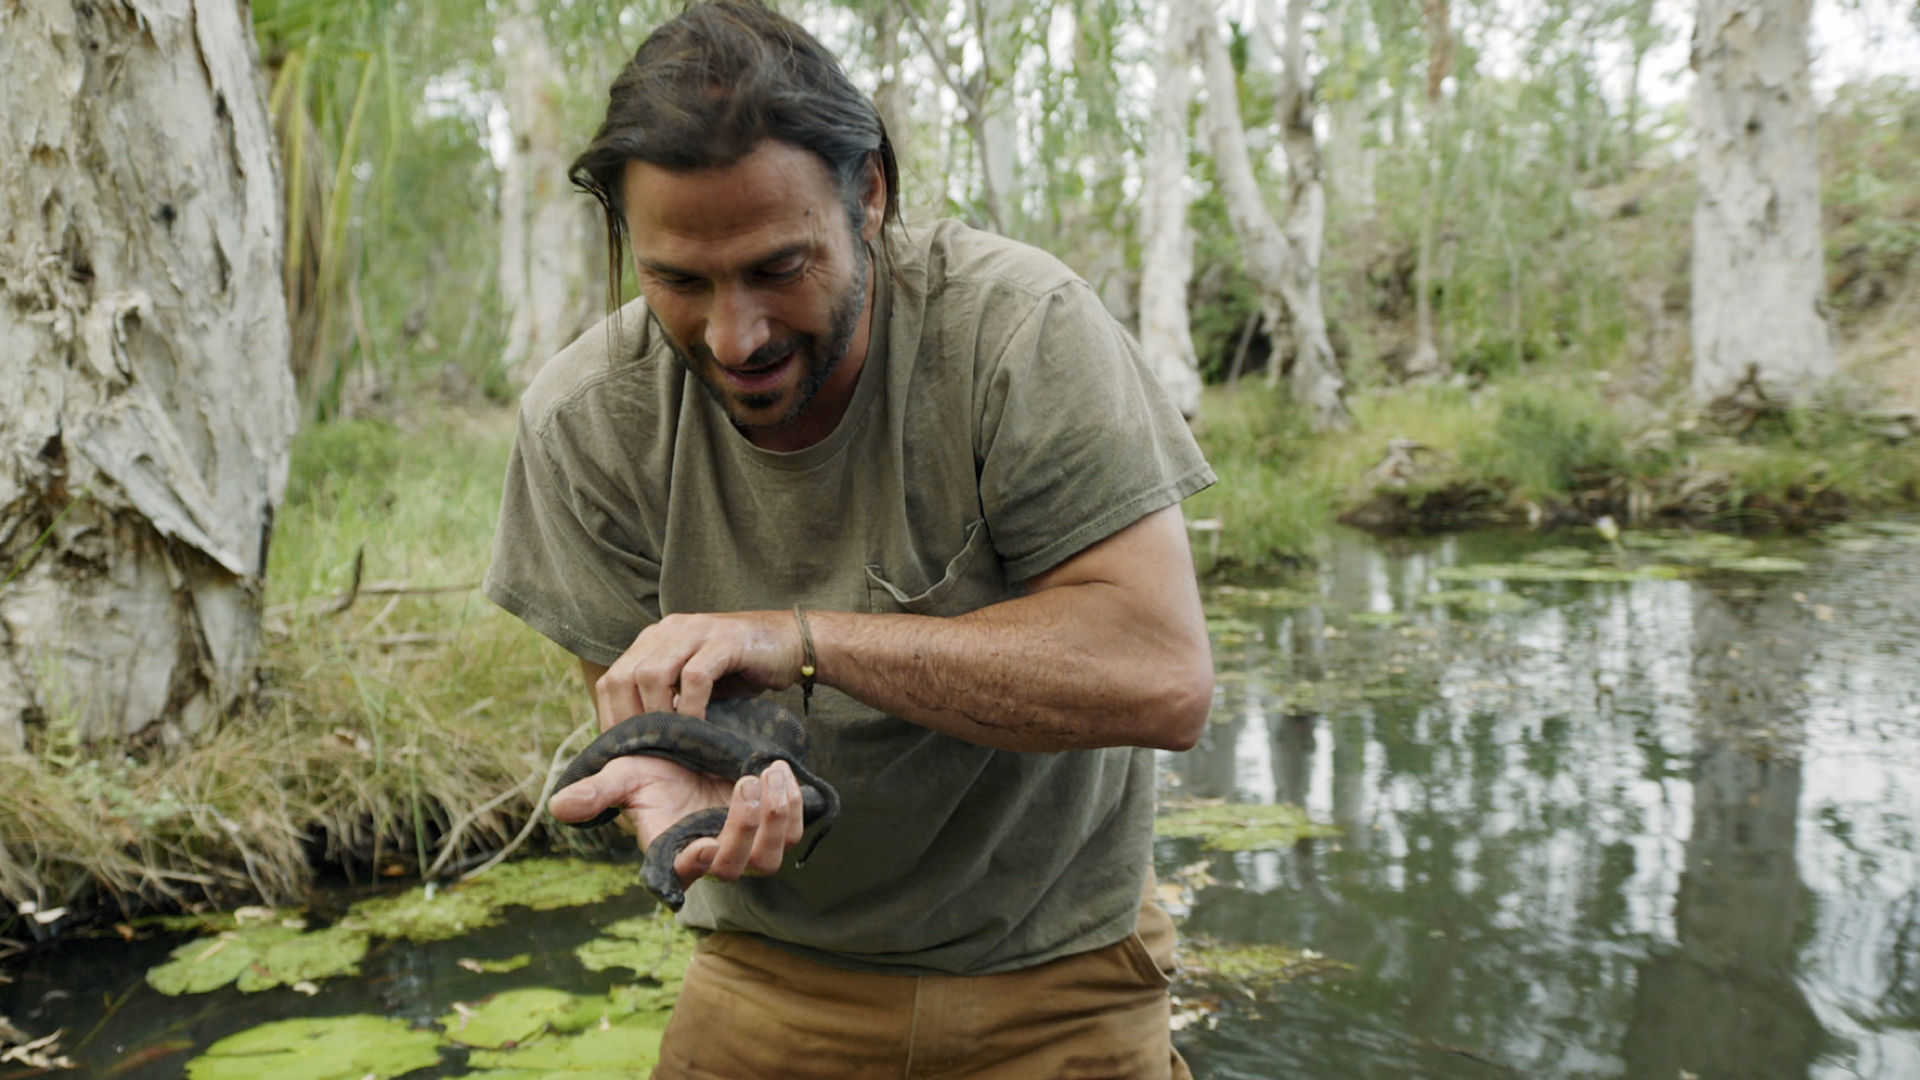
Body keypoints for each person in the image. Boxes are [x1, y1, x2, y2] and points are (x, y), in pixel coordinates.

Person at [483, 2, 1215, 1075]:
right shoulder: (587, 423)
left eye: (780, 266)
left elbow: (1160, 678)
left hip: (1061, 977)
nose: (737, 338)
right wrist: (690, 786)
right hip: (769, 972)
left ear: (867, 193)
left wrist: (803, 639)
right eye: (679, 281)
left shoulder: (1017, 332)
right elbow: (654, 728)